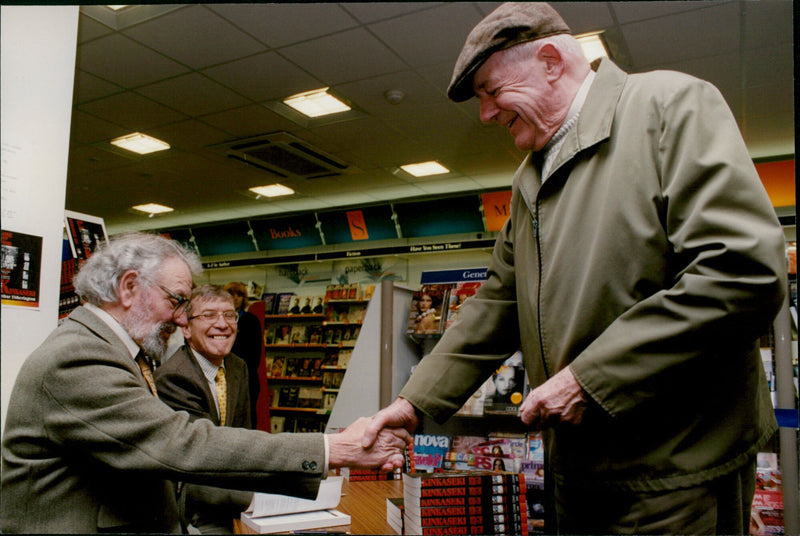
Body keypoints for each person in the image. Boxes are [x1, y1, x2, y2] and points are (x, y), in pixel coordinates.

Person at [363, 3, 787, 535]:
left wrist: (589, 380)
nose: (486, 114)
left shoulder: (668, 106)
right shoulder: (530, 177)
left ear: (549, 61)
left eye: (491, 91)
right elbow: (498, 303)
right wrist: (415, 400)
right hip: (577, 471)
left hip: (676, 472)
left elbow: (741, 271)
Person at [0, 232, 409, 534]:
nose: (181, 318)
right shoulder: (79, 357)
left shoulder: (109, 350)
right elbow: (179, 444)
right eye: (177, 300)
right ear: (128, 287)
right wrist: (333, 448)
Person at [154, 284, 254, 533]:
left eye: (229, 315)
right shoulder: (173, 377)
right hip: (194, 512)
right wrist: (262, 498)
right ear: (186, 328)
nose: (222, 324)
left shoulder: (238, 367)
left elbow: (245, 437)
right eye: (209, 315)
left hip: (234, 500)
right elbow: (204, 458)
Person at [223, 281, 263, 426]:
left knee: (247, 418)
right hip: (223, 376)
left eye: (239, 295)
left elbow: (255, 355)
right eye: (231, 294)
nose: (235, 298)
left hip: (247, 377)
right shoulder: (219, 321)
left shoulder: (251, 321)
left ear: (244, 298)